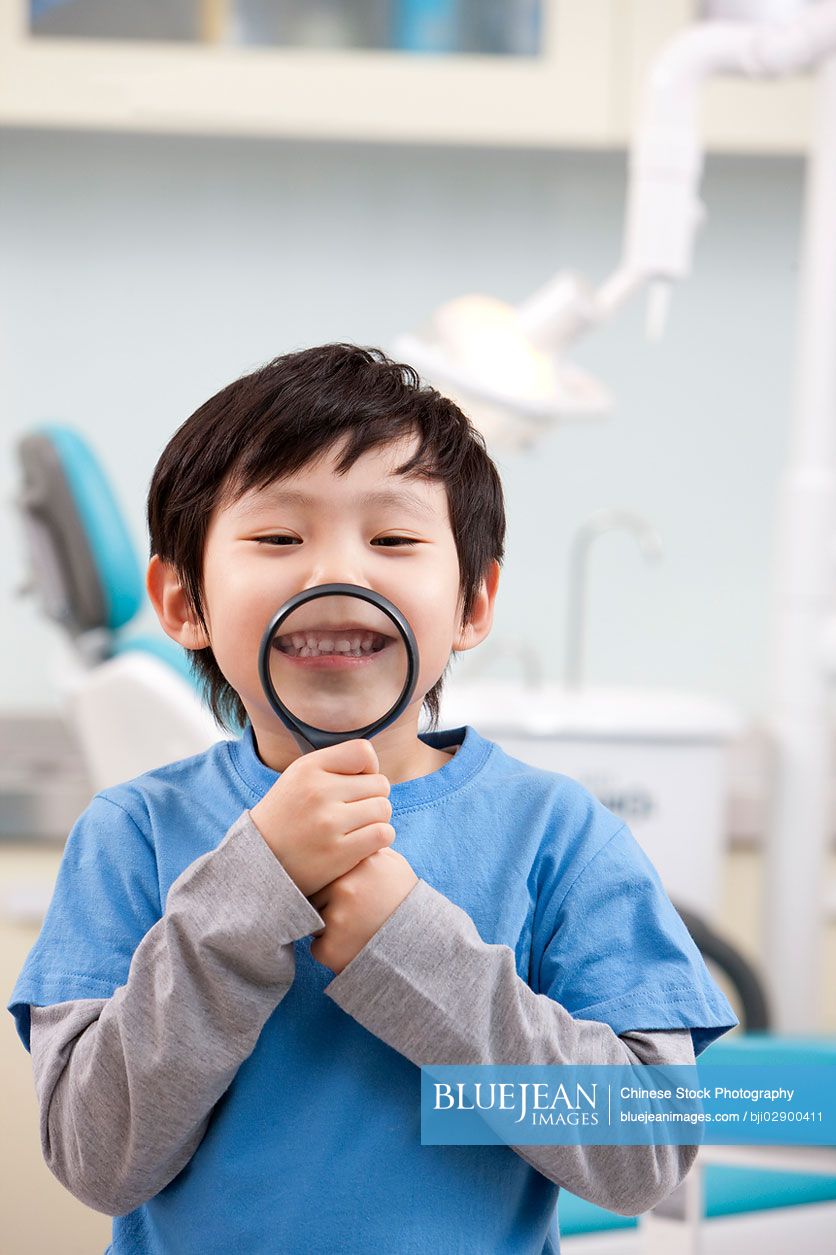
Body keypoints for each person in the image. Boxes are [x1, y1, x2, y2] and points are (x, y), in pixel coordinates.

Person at [7, 343, 738, 1254]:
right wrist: (246, 897)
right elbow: (96, 1156)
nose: (336, 573)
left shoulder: (561, 836)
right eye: (279, 538)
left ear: (473, 600)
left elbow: (642, 1153)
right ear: (181, 598)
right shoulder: (129, 834)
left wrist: (411, 948)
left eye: (392, 539)